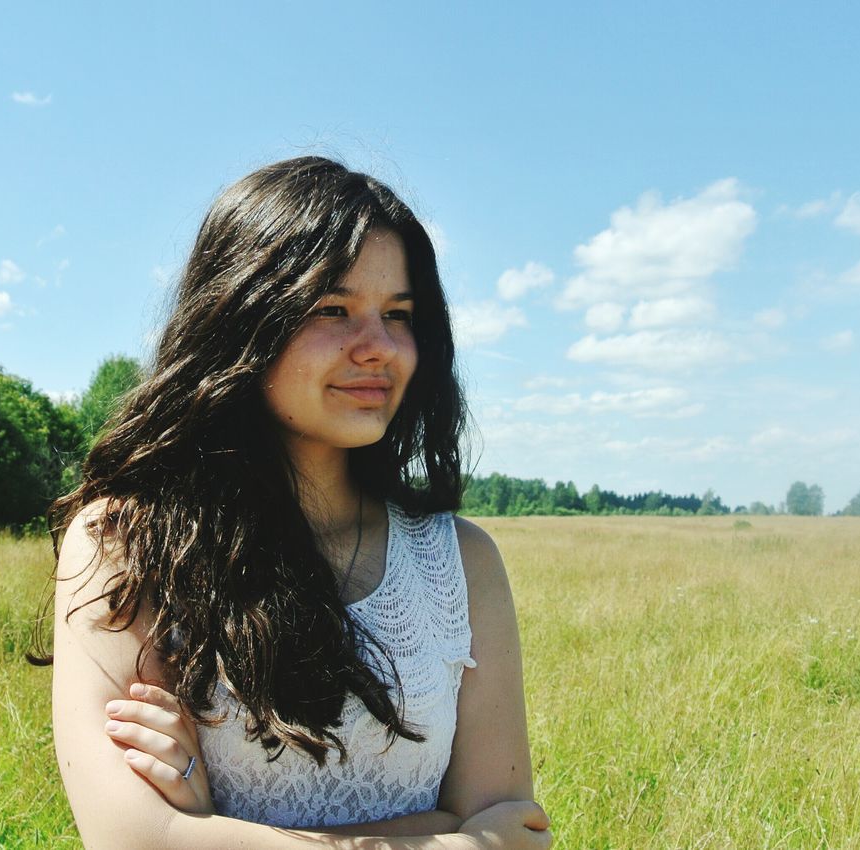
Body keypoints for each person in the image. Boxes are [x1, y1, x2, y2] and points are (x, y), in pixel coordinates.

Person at [38, 157, 552, 849]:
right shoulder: (127, 547)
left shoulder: (462, 563)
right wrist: (444, 838)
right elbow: (131, 840)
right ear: (241, 319)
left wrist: (209, 824)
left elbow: (513, 828)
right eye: (333, 310)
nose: (380, 349)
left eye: (398, 314)